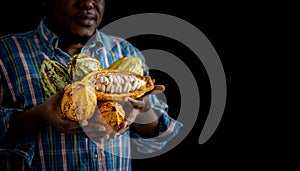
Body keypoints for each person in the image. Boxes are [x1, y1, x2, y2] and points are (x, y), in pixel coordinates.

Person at [0, 0, 182, 170]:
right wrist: (38, 117)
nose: (88, 3)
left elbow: (160, 136)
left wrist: (142, 111)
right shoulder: (6, 52)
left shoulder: (124, 51)